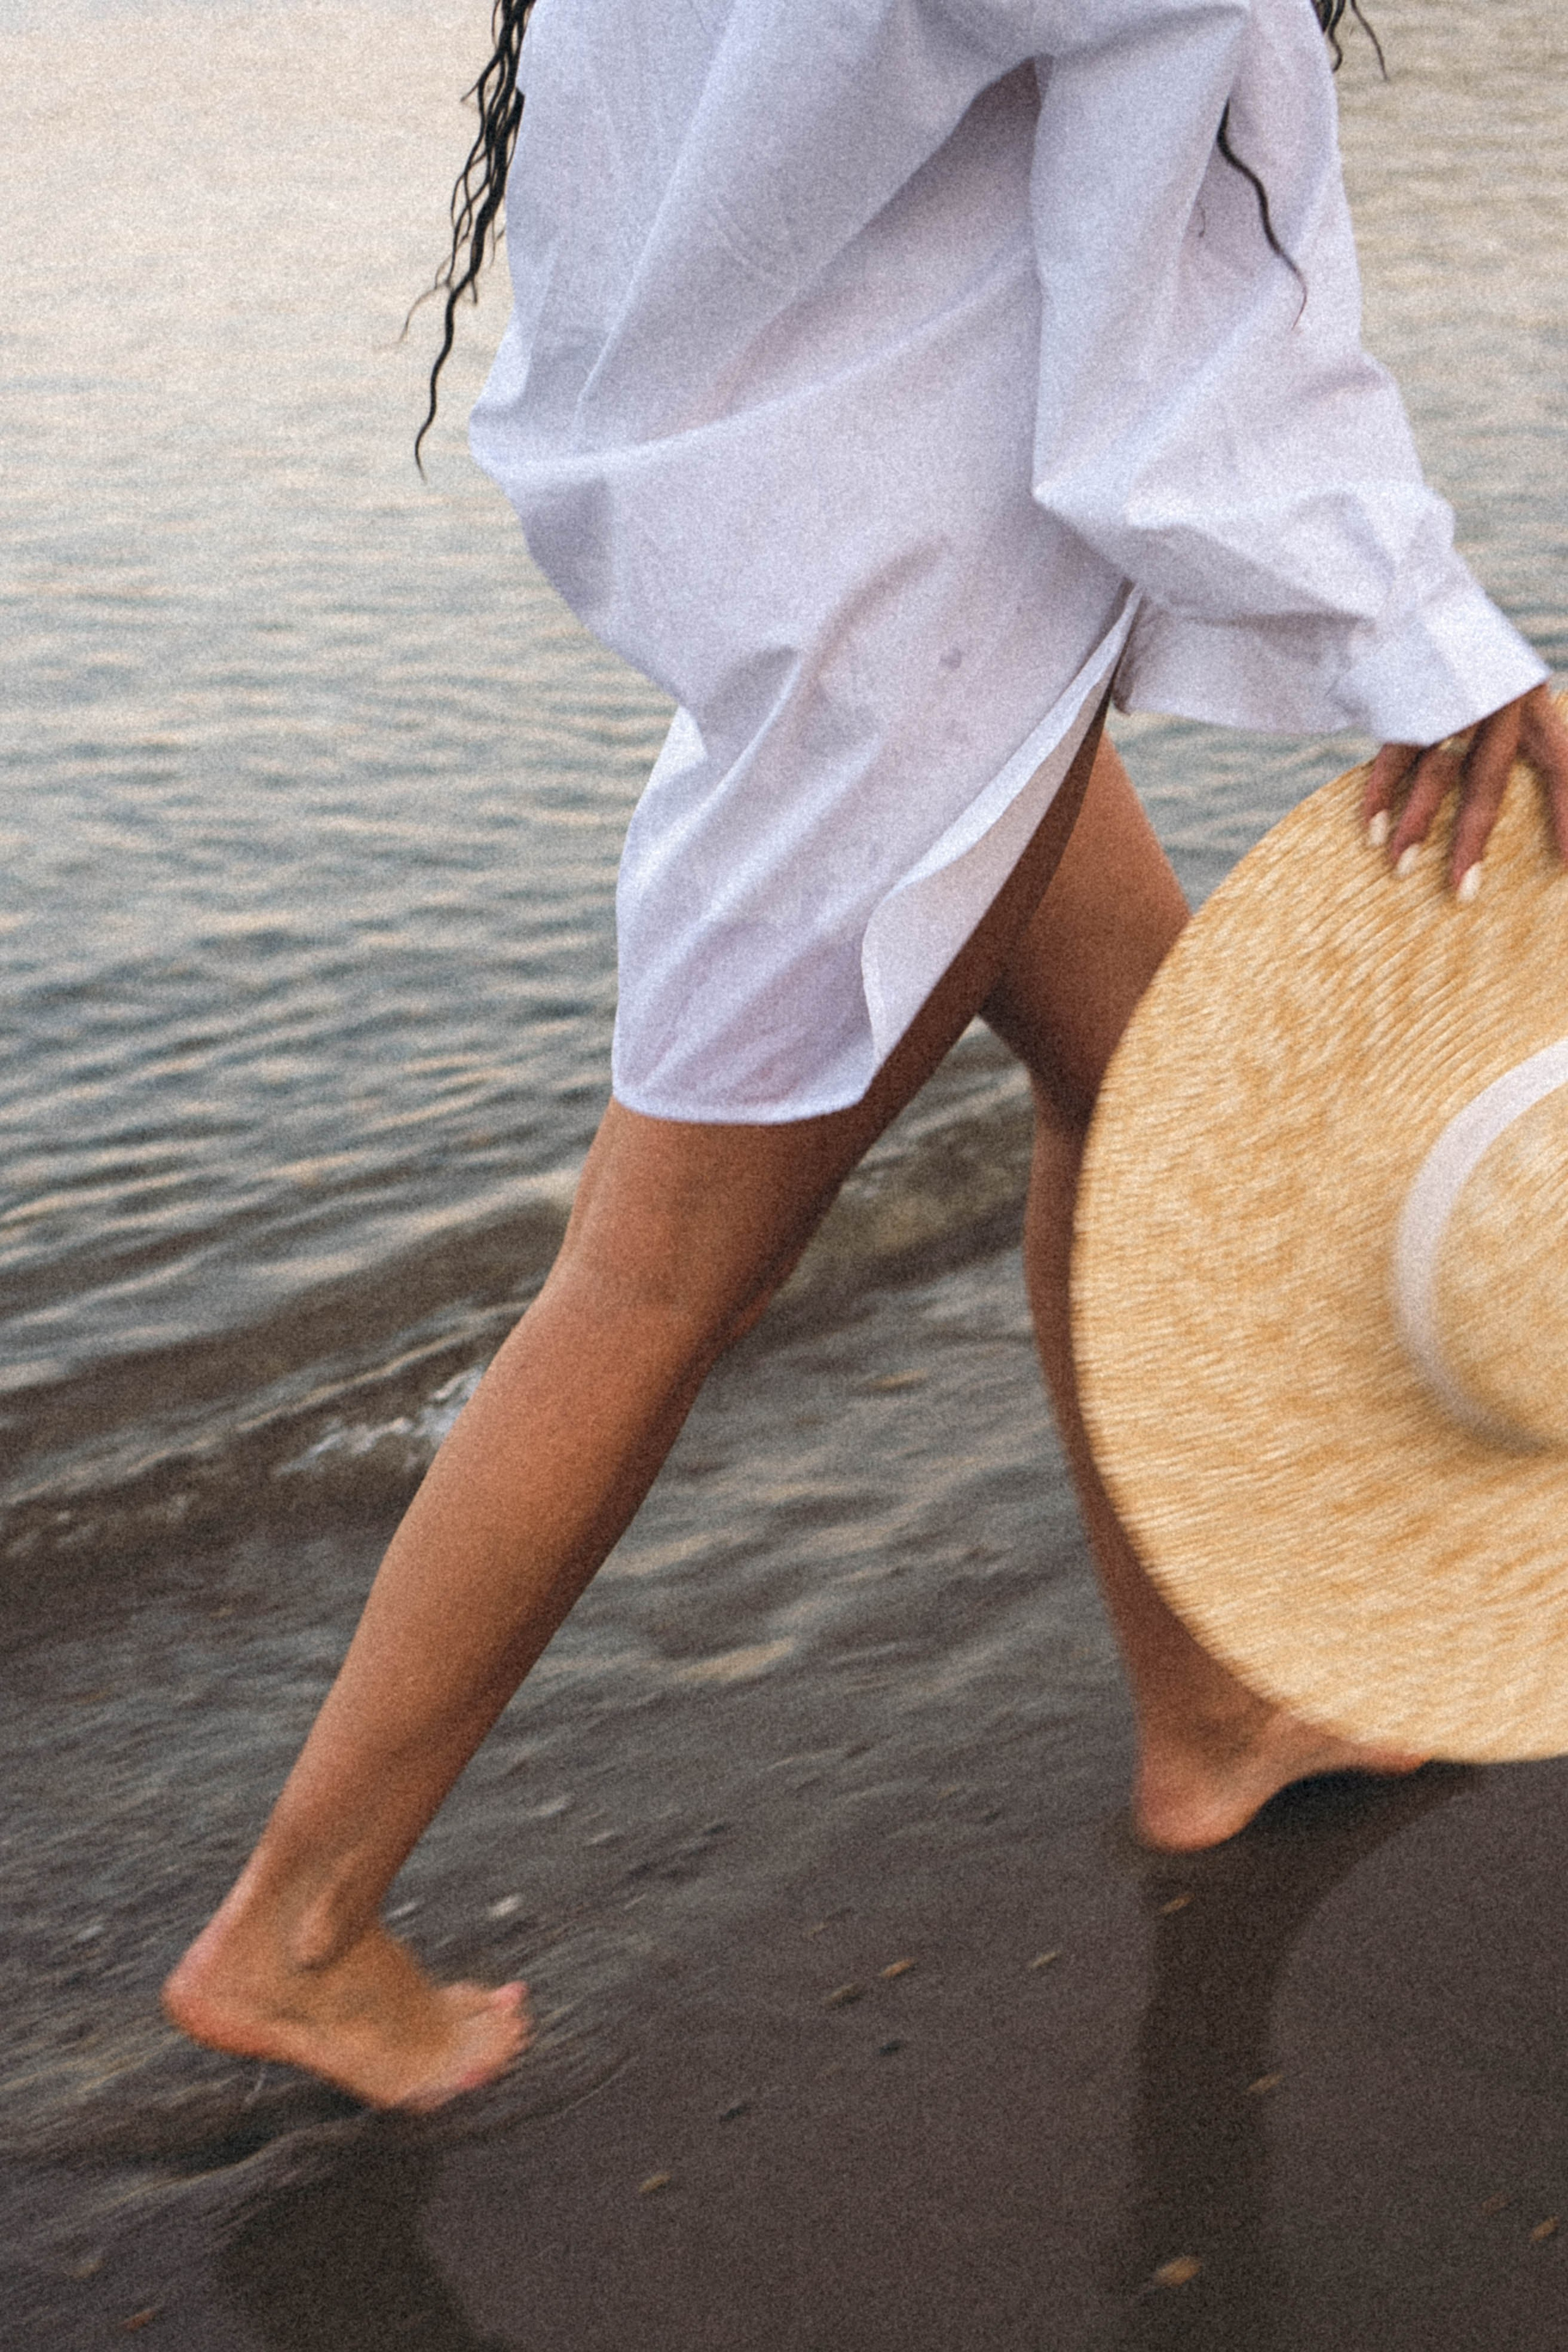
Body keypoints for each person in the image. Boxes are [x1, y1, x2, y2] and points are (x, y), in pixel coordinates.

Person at [164, 0, 1568, 2110]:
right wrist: (1430, 639)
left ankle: (1211, 1722)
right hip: (924, 613)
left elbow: (662, 213)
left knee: (1138, 1074)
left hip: (818, 567)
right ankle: (298, 1923)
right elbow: (1165, 328)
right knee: (651, 1284)